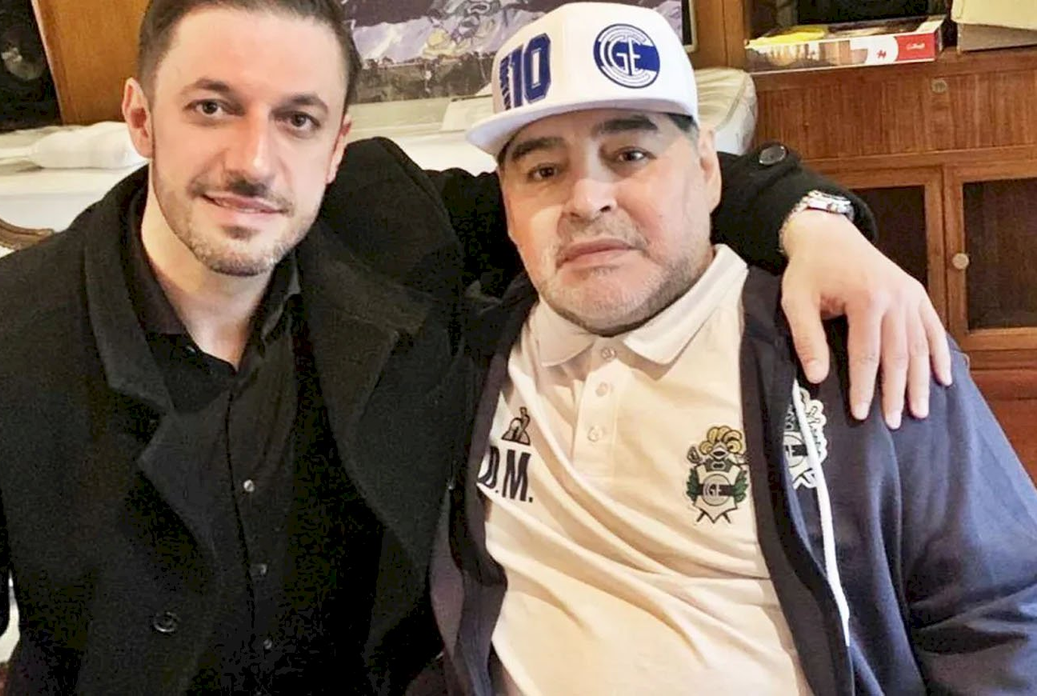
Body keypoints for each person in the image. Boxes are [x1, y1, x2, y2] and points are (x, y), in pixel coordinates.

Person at [0, 0, 948, 693]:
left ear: (339, 145)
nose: (254, 161)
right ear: (140, 119)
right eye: (212, 107)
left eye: (296, 119)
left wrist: (818, 225)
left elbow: (618, 184)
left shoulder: (387, 220)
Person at [430, 4, 1037, 694]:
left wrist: (817, 217)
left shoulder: (857, 343)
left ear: (708, 171)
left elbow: (1002, 615)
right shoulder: (467, 358)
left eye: (629, 155)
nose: (586, 199)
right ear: (506, 207)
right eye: (543, 171)